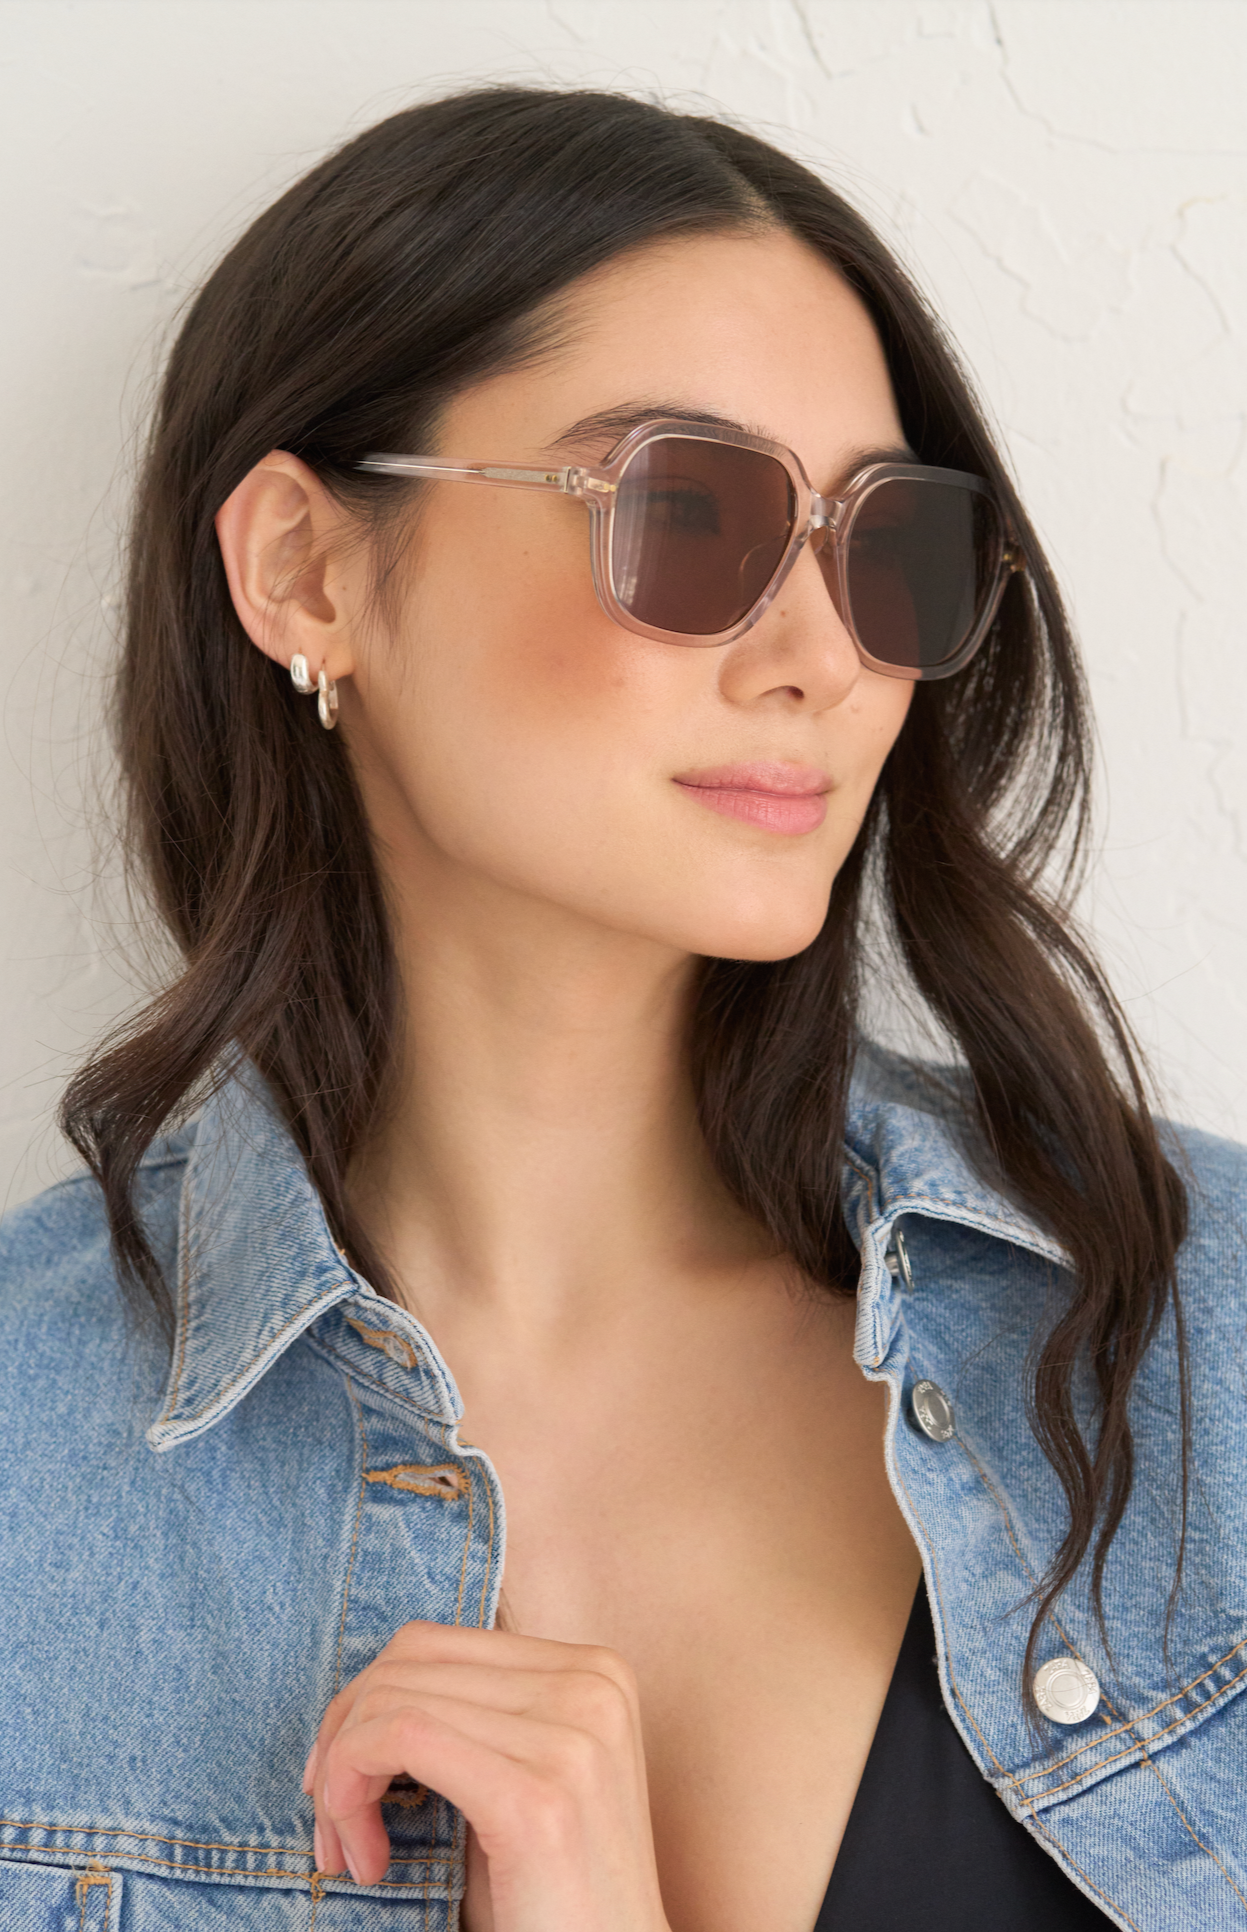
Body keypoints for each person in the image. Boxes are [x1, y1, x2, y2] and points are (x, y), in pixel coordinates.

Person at [0, 83, 1243, 1932]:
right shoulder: (30, 1471)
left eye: (883, 545)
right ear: (305, 570)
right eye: (686, 510)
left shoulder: (1190, 1326)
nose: (822, 655)